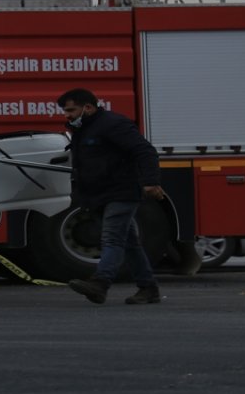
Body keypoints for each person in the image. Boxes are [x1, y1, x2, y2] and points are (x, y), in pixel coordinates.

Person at [60, 88, 166, 305]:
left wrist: (150, 181)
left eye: (71, 110)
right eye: (64, 111)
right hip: (99, 195)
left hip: (121, 191)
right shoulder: (83, 129)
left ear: (88, 107)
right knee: (129, 243)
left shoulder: (113, 124)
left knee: (112, 238)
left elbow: (144, 150)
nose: (66, 115)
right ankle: (148, 288)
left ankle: (100, 283)